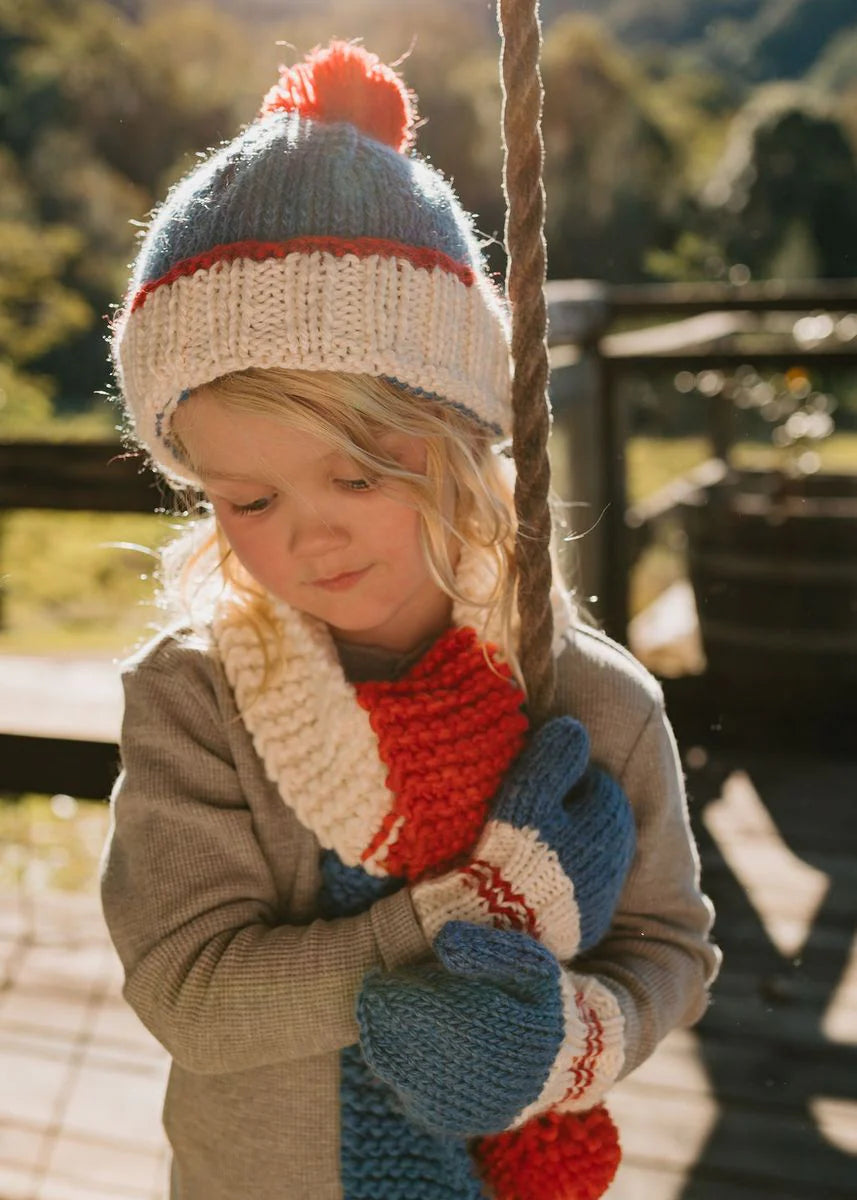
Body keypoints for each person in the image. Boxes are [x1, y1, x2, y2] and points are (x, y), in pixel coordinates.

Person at [101, 40, 720, 1200]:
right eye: (249, 499)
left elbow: (667, 950)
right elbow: (189, 992)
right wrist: (456, 923)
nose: (309, 536)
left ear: (467, 440)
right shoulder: (195, 702)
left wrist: (561, 1043)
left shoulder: (587, 701)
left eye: (357, 473)